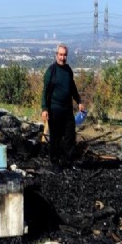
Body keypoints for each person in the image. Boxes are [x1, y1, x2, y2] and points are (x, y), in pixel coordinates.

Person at [41, 43, 85, 172]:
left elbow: (72, 88)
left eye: (65, 55)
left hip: (67, 110)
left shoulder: (68, 70)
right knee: (55, 137)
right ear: (56, 55)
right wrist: (44, 109)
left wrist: (79, 101)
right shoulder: (51, 71)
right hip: (54, 109)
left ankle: (68, 161)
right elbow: (45, 91)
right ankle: (55, 162)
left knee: (70, 136)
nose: (62, 57)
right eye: (60, 54)